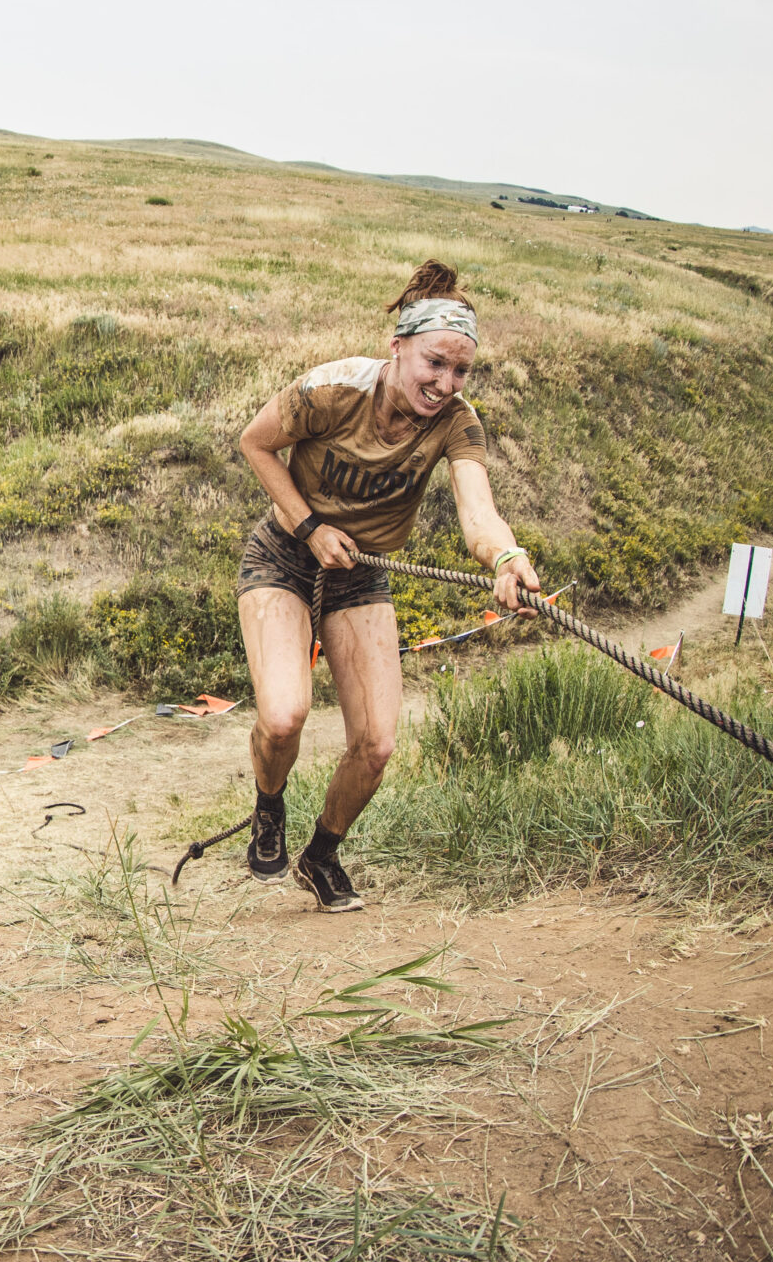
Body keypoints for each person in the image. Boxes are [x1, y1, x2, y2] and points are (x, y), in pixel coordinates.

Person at [232, 260, 542, 911]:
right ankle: (269, 802)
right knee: (283, 716)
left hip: (362, 571)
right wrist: (311, 524)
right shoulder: (331, 390)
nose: (445, 382)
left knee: (376, 744)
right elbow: (256, 444)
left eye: (461, 370)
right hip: (287, 553)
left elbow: (478, 511)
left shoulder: (457, 423)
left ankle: (320, 855)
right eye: (434, 363)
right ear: (397, 348)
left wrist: (507, 557)